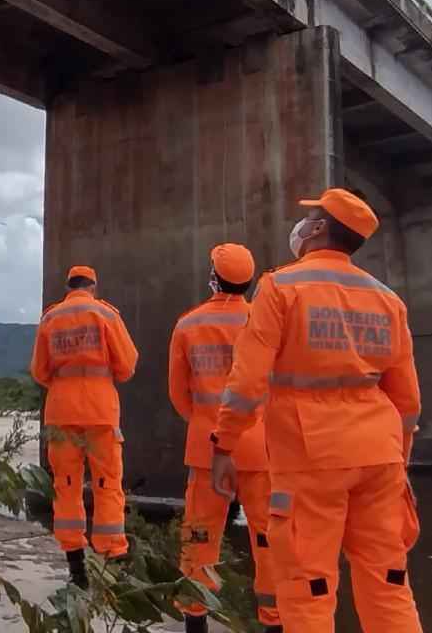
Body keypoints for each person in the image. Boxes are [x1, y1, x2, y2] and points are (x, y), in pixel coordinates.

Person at [211, 188, 422, 633]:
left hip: (310, 457)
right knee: (389, 583)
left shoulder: (280, 287)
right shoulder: (388, 300)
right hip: (380, 457)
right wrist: (399, 466)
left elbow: (246, 385)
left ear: (319, 228)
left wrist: (224, 444)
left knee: (309, 588)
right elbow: (407, 402)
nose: (302, 224)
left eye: (309, 217)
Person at [168, 244, 278, 633]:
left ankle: (196, 623)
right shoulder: (264, 322)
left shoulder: (188, 325)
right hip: (261, 450)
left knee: (199, 536)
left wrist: (204, 423)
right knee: (267, 539)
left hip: (206, 449)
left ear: (213, 278)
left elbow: (179, 393)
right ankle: (273, 622)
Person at [30, 265, 138, 589]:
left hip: (61, 412)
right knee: (107, 485)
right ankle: (110, 563)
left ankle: (76, 569)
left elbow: (39, 370)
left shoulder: (50, 318)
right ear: (93, 285)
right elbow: (127, 364)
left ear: (68, 286)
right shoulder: (104, 313)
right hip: (100, 411)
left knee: (66, 486)